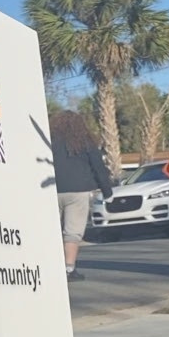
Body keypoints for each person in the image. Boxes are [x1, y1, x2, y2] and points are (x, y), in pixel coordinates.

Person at [49, 111, 114, 281]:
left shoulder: (49, 142)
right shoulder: (85, 142)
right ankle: (69, 269)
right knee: (72, 232)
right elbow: (98, 167)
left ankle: (51, 268)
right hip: (78, 190)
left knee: (52, 230)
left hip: (52, 190)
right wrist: (107, 191)